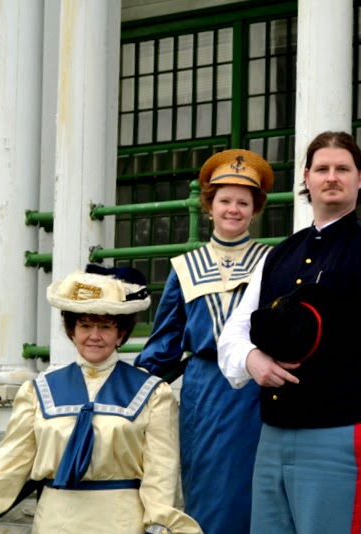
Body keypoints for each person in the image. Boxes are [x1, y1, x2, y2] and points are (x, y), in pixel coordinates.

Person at [218, 130, 361, 534]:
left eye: (343, 168)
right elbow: (235, 330)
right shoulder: (278, 255)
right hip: (273, 434)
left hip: (344, 435)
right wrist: (253, 360)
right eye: (322, 169)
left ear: (360, 179)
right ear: (306, 178)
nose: (331, 177)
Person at [0, 265, 201, 533]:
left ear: (121, 334)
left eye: (105, 326)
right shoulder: (37, 390)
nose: (94, 335)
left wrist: (160, 522)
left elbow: (161, 474)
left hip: (122, 522)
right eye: (85, 325)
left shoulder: (153, 393)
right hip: (55, 522)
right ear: (72, 331)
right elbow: (9, 465)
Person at [134, 148, 274, 533]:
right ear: (209, 206)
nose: (233, 209)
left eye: (243, 202)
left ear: (255, 209)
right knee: (207, 488)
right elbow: (164, 345)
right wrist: (130, 389)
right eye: (224, 200)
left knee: (256, 489)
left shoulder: (272, 261)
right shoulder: (185, 267)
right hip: (206, 391)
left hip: (257, 390)